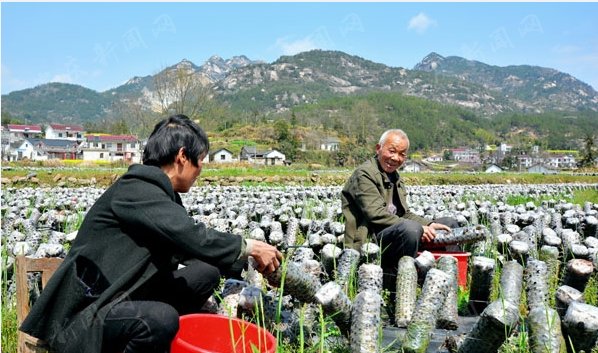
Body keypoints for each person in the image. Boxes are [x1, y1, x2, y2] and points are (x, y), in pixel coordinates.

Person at [20, 114, 282, 353]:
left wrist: (252, 264)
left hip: (124, 294)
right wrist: (250, 247)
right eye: (200, 161)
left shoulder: (161, 195)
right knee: (160, 319)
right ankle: (148, 336)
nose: (200, 170)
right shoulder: (136, 188)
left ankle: (159, 343)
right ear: (182, 156)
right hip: (88, 313)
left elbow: (190, 248)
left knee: (206, 273)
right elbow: (190, 235)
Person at [341, 129, 458, 322]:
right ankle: (398, 293)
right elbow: (376, 215)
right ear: (378, 148)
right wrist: (419, 228)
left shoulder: (394, 177)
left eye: (402, 154)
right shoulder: (365, 175)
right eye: (392, 151)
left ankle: (450, 299)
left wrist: (429, 224)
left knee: (448, 224)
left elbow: (404, 213)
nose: (396, 158)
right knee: (411, 229)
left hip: (394, 232)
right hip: (371, 240)